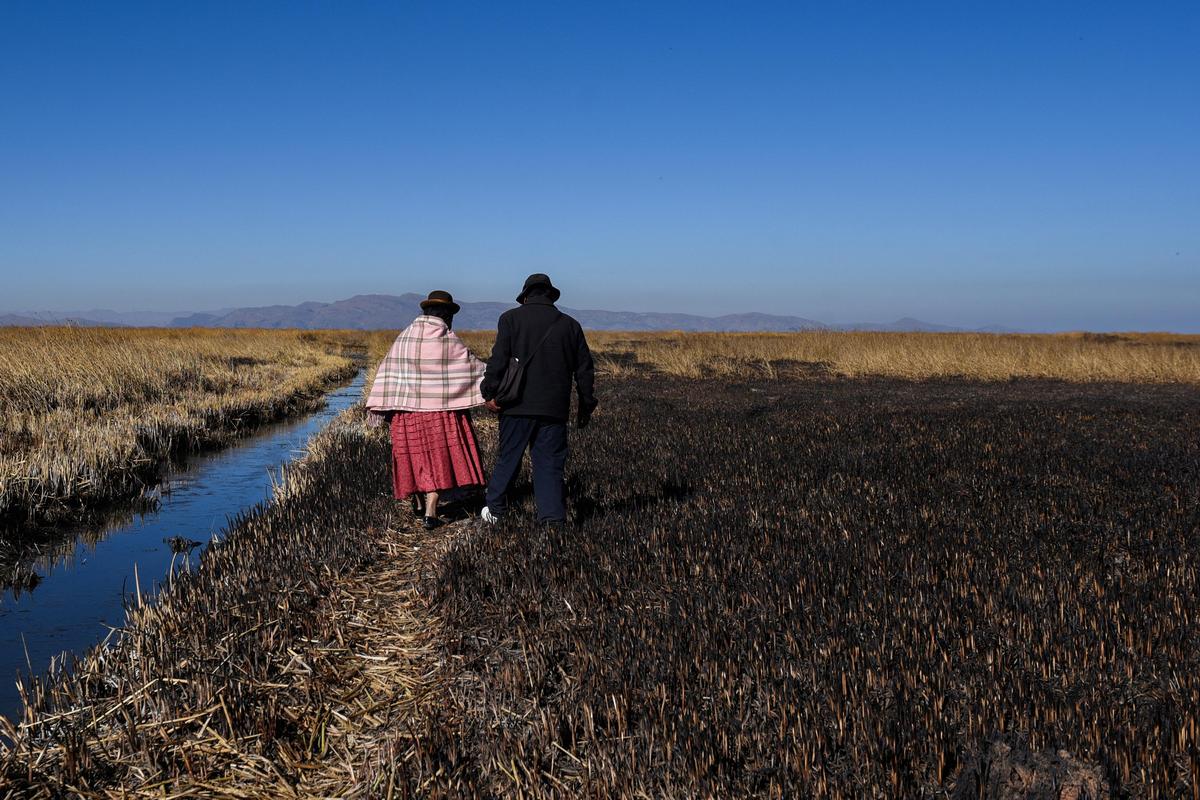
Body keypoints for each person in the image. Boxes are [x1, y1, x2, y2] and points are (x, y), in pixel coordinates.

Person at [480, 273, 597, 526]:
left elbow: (498, 359)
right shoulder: (570, 325)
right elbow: (585, 369)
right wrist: (587, 404)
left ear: (525, 296)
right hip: (554, 409)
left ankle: (496, 510)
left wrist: (488, 391)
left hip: (515, 406)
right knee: (549, 464)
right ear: (550, 296)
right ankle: (553, 520)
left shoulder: (510, 319)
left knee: (509, 458)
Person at [365, 290, 487, 530]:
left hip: (406, 413)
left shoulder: (405, 337)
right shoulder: (446, 337)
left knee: (414, 456)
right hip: (438, 412)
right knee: (438, 456)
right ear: (447, 315)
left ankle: (419, 502)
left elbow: (389, 371)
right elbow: (470, 367)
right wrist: (496, 376)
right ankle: (431, 509)